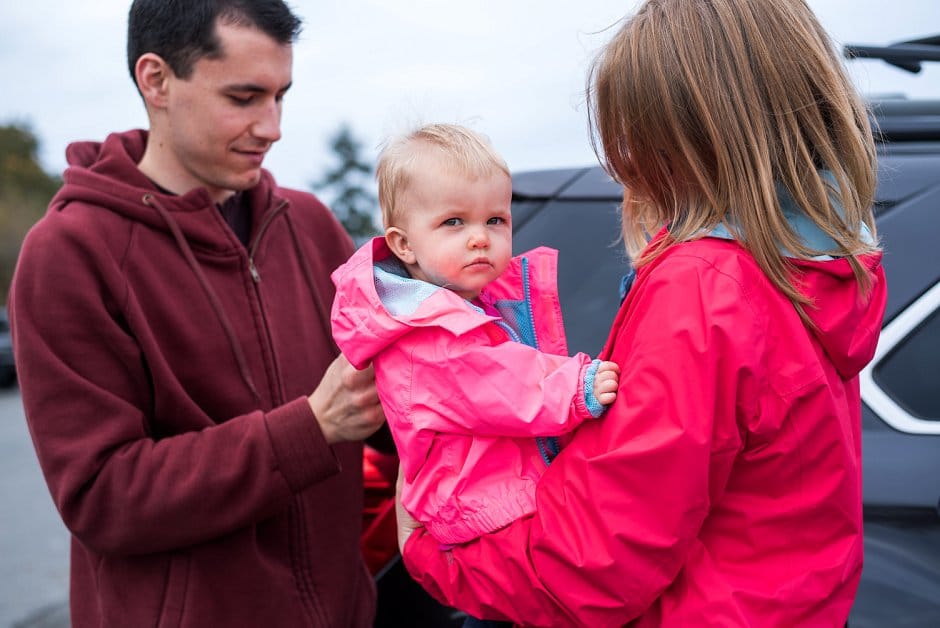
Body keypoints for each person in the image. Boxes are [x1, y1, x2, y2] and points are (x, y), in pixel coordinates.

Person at [395, 0, 889, 626]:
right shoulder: (830, 265)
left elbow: (596, 561)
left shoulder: (705, 288)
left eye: (634, 133)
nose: (624, 162)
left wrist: (432, 552)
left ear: (686, 137)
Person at [8, 1, 385, 626]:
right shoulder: (69, 255)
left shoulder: (311, 225)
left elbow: (389, 414)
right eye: (243, 98)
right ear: (155, 80)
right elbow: (103, 496)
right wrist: (310, 429)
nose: (273, 126)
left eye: (280, 96)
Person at [331, 123, 620, 552]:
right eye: (454, 222)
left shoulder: (477, 306)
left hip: (499, 505)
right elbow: (493, 382)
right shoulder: (422, 332)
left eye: (495, 220)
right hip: (478, 518)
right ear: (404, 245)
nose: (480, 237)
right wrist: (575, 386)